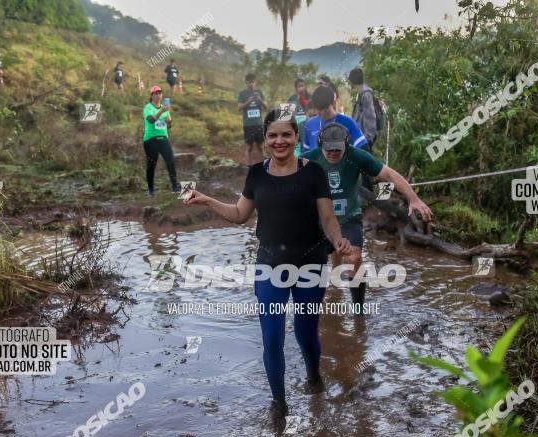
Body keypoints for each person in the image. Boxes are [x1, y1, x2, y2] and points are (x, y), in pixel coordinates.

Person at [183, 109, 351, 416]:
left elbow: (328, 219)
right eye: (273, 135)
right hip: (271, 264)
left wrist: (338, 240)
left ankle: (314, 377)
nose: (279, 141)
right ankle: (279, 404)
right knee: (272, 338)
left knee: (305, 332)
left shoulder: (314, 172)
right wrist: (206, 199)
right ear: (265, 139)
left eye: (286, 134)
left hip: (310, 263)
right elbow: (239, 214)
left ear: (297, 137)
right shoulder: (257, 174)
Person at [304, 123, 432, 309]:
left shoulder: (357, 156)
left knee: (354, 258)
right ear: (320, 144)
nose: (332, 153)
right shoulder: (308, 160)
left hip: (349, 217)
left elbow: (389, 175)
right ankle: (323, 307)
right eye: (328, 149)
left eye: (337, 150)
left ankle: (358, 310)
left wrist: (413, 198)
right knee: (316, 265)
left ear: (346, 146)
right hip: (319, 220)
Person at [301, 85, 367, 154]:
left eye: (324, 108)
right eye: (319, 108)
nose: (321, 112)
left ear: (333, 103)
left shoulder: (348, 123)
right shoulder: (310, 124)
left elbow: (364, 150)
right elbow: (305, 154)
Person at [142, 85, 180, 197]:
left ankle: (175, 187)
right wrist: (161, 111)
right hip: (150, 140)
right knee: (151, 165)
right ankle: (151, 190)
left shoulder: (165, 109)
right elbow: (151, 120)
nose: (158, 95)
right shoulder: (148, 107)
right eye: (156, 93)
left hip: (163, 139)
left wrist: (169, 122)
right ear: (152, 95)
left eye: (160, 93)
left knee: (171, 161)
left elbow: (168, 127)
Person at [348, 68, 381, 154]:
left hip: (365, 141)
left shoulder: (366, 95)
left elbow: (370, 118)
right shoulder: (362, 94)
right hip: (361, 140)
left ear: (352, 81)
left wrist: (368, 140)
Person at [237, 73, 268, 165]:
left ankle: (263, 167)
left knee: (261, 147)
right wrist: (249, 101)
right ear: (246, 83)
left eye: (253, 82)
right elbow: (239, 108)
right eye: (249, 82)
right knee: (249, 147)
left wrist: (260, 99)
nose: (251, 84)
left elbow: (266, 107)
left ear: (255, 82)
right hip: (248, 124)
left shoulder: (259, 92)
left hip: (258, 124)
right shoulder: (242, 94)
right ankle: (248, 167)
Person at [287, 79, 309, 157]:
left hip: (307, 125)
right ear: (296, 88)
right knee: (296, 146)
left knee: (305, 144)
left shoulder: (309, 97)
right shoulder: (292, 98)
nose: (301, 88)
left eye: (302, 86)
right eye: (299, 86)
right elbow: (286, 115)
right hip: (295, 126)